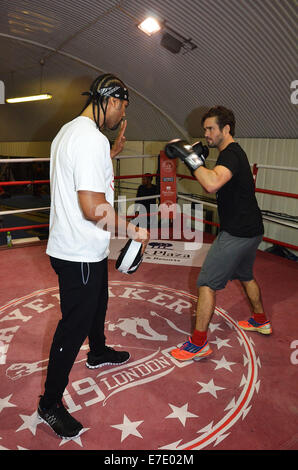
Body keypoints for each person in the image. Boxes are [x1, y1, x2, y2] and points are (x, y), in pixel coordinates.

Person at [38, 73, 149, 438]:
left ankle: (98, 350)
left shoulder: (69, 132)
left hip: (77, 247)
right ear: (112, 101)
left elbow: (81, 178)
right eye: (123, 107)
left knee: (98, 301)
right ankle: (49, 404)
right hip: (80, 251)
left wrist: (110, 154)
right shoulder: (90, 139)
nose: (121, 116)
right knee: (73, 326)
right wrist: (131, 229)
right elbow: (91, 205)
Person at [164, 106, 271, 362]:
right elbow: (211, 177)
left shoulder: (231, 154)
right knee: (245, 275)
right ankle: (260, 321)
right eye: (205, 129)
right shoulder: (230, 154)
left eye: (211, 129)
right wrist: (197, 164)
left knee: (206, 283)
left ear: (226, 129)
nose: (207, 134)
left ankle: (199, 343)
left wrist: (191, 160)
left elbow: (211, 184)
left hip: (237, 233)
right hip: (253, 230)